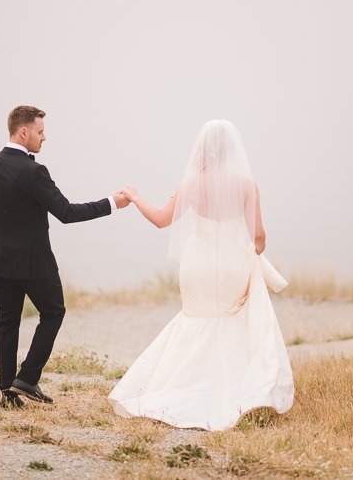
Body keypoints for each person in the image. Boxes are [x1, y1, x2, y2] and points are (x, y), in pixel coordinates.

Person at [108, 119, 294, 430]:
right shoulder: (247, 186)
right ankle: (233, 389)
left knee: (195, 320)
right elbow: (258, 236)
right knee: (230, 320)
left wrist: (136, 196)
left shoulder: (192, 184)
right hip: (234, 265)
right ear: (233, 149)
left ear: (203, 150)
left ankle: (182, 384)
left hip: (198, 266)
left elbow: (160, 220)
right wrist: (252, 250)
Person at [0, 105, 129, 409]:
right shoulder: (33, 171)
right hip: (34, 263)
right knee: (54, 312)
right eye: (40, 131)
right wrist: (112, 203)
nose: (44, 138)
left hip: (0, 260)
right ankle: (27, 377)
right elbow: (67, 213)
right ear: (24, 132)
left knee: (6, 322)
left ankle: (8, 391)